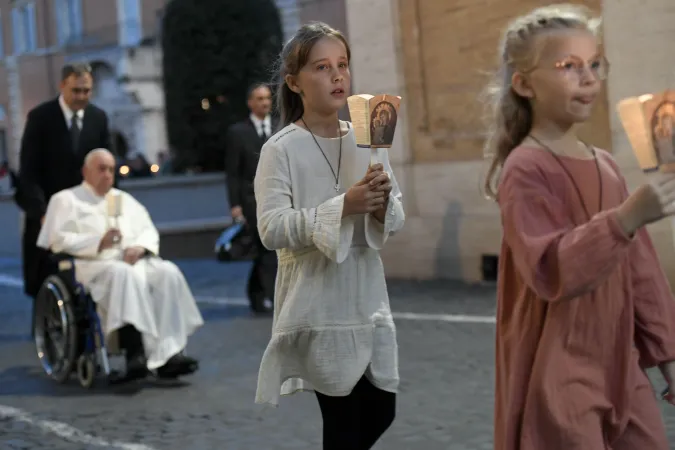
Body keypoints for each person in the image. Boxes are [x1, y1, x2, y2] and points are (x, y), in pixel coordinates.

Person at [484, 5, 675, 450]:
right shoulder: (524, 168)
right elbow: (549, 268)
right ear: (524, 84)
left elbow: (641, 268)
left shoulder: (605, 164)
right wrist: (625, 218)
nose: (588, 77)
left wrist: (666, 352)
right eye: (568, 66)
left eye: (594, 64)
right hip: (559, 368)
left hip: (621, 362)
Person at [253, 22, 405, 449]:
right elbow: (271, 228)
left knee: (381, 408)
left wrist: (381, 202)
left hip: (367, 298)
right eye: (322, 67)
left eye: (343, 65)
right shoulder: (280, 149)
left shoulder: (366, 140)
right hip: (318, 303)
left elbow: (395, 219)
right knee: (343, 422)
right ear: (294, 82)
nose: (338, 76)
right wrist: (343, 207)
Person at [37, 149, 203, 379]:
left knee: (168, 272)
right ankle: (135, 353)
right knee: (125, 275)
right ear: (86, 172)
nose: (107, 175)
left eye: (111, 170)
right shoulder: (66, 200)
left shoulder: (123, 200)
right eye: (101, 169)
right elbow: (58, 239)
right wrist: (98, 242)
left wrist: (141, 248)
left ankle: (169, 353)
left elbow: (147, 230)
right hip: (93, 265)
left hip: (133, 261)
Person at [15, 63, 111, 300]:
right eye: (76, 91)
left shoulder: (98, 118)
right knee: (47, 281)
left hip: (86, 213)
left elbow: (108, 169)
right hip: (48, 210)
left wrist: (112, 207)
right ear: (62, 86)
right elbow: (29, 171)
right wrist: (42, 212)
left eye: (86, 91)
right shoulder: (40, 118)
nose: (81, 97)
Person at [225, 82, 279, 313]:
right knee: (266, 248)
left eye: (267, 98)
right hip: (250, 201)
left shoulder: (279, 128)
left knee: (266, 249)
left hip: (278, 197)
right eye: (259, 98)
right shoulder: (237, 132)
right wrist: (235, 205)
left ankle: (256, 294)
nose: (264, 102)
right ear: (250, 103)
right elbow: (232, 173)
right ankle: (274, 297)